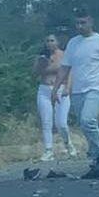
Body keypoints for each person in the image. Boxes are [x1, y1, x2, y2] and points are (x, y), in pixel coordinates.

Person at [52, 8, 99, 179]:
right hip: (78, 90)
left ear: (91, 22)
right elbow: (65, 67)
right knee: (84, 125)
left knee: (87, 119)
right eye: (77, 23)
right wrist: (56, 89)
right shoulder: (73, 43)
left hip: (97, 87)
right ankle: (97, 159)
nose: (80, 26)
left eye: (83, 22)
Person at [33, 33, 76, 161]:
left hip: (60, 89)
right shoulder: (42, 57)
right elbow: (34, 73)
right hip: (44, 89)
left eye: (52, 40)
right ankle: (48, 150)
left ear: (57, 42)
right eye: (47, 41)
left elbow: (69, 72)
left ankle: (69, 144)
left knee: (61, 122)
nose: (49, 43)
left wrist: (68, 88)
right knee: (46, 121)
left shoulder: (64, 55)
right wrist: (42, 64)